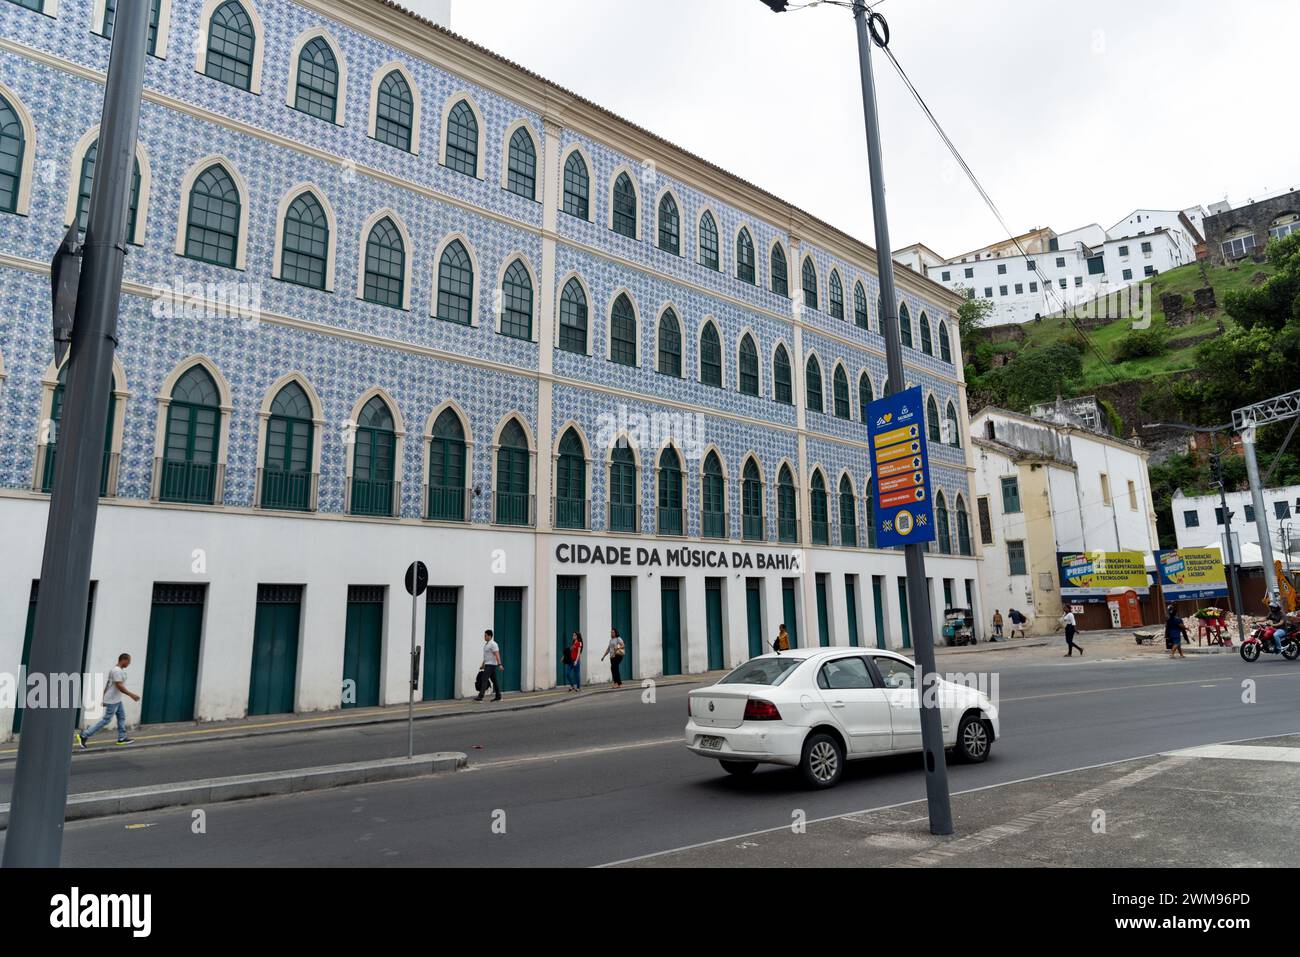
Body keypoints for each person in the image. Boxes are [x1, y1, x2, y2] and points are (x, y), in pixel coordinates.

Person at [76, 653, 138, 749]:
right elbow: (119, 686)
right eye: (129, 661)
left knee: (121, 717)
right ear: (124, 660)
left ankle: (122, 738)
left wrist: (103, 698)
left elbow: (108, 685)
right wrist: (131, 695)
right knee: (106, 720)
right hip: (113, 700)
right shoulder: (117, 671)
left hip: (116, 699)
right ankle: (84, 735)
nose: (129, 664)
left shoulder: (116, 670)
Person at [475, 629, 502, 702]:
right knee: (494, 681)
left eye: (485, 635)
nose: (484, 637)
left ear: (490, 636)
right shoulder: (487, 644)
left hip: (491, 665)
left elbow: (497, 654)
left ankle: (480, 696)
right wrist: (483, 664)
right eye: (484, 635)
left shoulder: (493, 644)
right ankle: (498, 696)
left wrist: (500, 664)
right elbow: (487, 656)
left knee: (484, 679)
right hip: (488, 664)